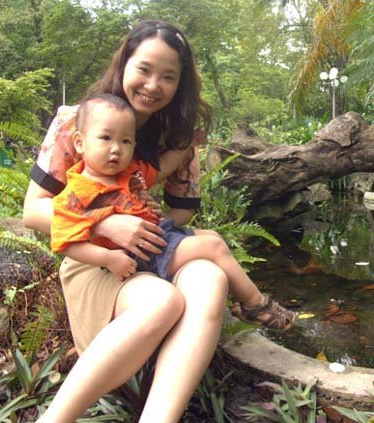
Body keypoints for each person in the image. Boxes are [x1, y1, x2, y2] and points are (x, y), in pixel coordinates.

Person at [22, 20, 286, 423]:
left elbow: (181, 212)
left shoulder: (177, 138)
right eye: (144, 69)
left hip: (150, 249)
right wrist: (107, 224)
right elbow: (33, 210)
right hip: (94, 259)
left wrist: (145, 216)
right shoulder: (80, 123)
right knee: (164, 298)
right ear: (124, 63)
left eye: (168, 76)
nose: (152, 85)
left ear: (180, 83)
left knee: (209, 277)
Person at [51, 92, 295, 331]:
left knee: (212, 237)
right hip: (139, 252)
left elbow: (164, 167)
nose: (116, 149)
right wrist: (108, 258)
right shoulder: (77, 191)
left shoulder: (128, 172)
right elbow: (65, 242)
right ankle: (255, 305)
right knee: (213, 247)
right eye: (105, 138)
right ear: (79, 142)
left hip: (157, 237)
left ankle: (240, 302)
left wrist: (189, 143)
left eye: (125, 141)